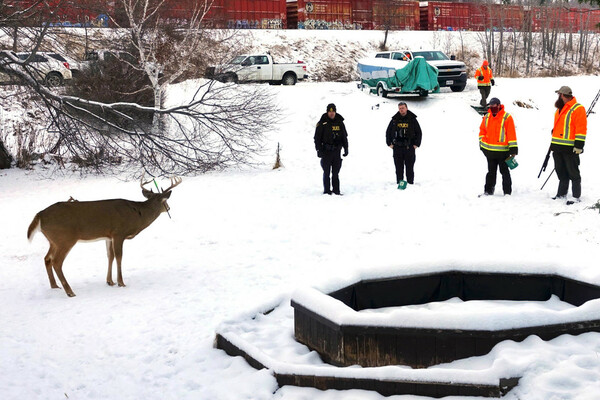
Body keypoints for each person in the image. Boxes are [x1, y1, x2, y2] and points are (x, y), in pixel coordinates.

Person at [550, 86, 587, 201]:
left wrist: (579, 146)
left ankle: (576, 197)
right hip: (557, 147)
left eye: (558, 95)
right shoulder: (559, 109)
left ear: (561, 95)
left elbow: (581, 129)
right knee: (560, 172)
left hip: (570, 148)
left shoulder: (578, 109)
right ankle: (561, 194)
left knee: (573, 173)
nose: (558, 97)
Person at [479, 97, 518, 196]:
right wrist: (482, 144)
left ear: (499, 105)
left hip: (503, 152)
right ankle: (488, 191)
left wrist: (513, 150)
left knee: (504, 172)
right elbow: (482, 131)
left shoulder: (507, 117)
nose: (492, 107)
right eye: (490, 105)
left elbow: (511, 134)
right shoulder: (487, 117)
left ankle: (507, 193)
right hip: (489, 152)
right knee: (491, 173)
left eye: (494, 105)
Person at [314, 103, 348, 195]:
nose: (332, 114)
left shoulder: (340, 122)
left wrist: (346, 148)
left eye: (333, 112)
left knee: (336, 173)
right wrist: (318, 150)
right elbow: (317, 138)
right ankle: (327, 191)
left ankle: (336, 190)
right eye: (330, 112)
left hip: (337, 151)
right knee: (326, 172)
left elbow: (344, 136)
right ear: (327, 112)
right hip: (326, 152)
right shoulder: (322, 123)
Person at [386, 102, 422, 185]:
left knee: (409, 167)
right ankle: (400, 183)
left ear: (406, 108)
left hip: (409, 147)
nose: (401, 110)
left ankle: (410, 183)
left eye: (402, 108)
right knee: (399, 167)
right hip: (397, 147)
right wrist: (389, 143)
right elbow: (388, 132)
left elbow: (419, 132)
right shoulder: (394, 119)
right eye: (400, 108)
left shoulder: (412, 119)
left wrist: (416, 144)